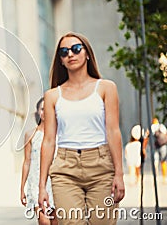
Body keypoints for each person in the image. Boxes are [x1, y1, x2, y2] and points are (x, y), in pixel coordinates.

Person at [38, 32, 125, 224]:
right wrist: (42, 186)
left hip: (101, 166)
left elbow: (113, 132)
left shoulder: (106, 88)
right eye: (64, 52)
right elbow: (49, 141)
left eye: (76, 49)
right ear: (60, 60)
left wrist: (119, 174)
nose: (70, 54)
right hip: (65, 169)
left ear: (87, 54)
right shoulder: (52, 95)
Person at [20, 97, 57, 225]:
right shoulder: (30, 134)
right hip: (36, 183)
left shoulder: (59, 134)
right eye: (42, 109)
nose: (45, 112)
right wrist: (22, 188)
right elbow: (27, 161)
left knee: (56, 221)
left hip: (56, 183)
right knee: (44, 222)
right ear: (37, 112)